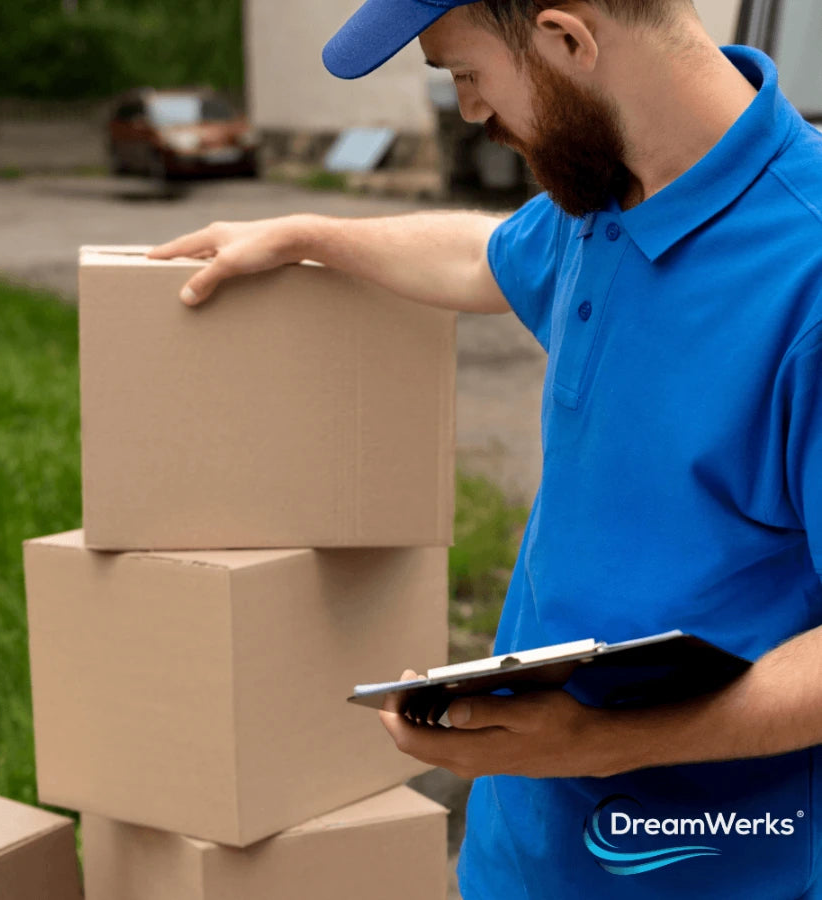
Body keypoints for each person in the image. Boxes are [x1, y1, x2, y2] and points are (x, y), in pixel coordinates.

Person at [148, 1, 822, 896]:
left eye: (466, 75)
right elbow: (485, 257)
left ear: (567, 39)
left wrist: (605, 742)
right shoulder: (607, 191)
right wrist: (307, 236)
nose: (468, 111)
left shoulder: (803, 267)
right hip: (523, 848)